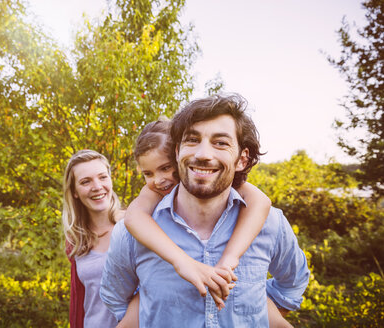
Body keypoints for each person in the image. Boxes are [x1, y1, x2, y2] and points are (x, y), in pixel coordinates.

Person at [100, 94, 310, 327]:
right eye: (192, 140)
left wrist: (261, 310)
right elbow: (115, 301)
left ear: (242, 159)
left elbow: (292, 287)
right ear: (178, 150)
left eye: (220, 142)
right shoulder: (132, 232)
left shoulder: (269, 223)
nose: (203, 154)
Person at [62, 150, 138, 328]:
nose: (97, 186)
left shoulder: (134, 226)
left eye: (102, 177)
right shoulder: (76, 241)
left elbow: (151, 289)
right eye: (85, 182)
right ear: (74, 192)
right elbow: (82, 301)